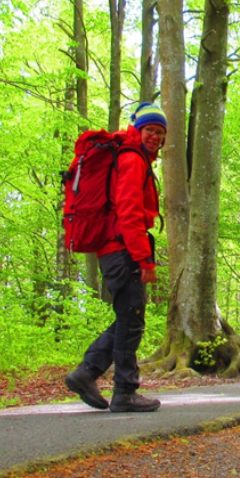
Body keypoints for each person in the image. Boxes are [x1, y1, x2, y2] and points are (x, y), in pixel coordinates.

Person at [65, 103, 166, 413]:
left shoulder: (133, 157)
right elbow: (129, 210)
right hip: (123, 249)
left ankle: (90, 374)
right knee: (132, 319)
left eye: (161, 133)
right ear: (138, 129)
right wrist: (144, 260)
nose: (155, 137)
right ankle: (122, 389)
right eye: (150, 130)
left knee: (128, 317)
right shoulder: (132, 159)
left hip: (116, 248)